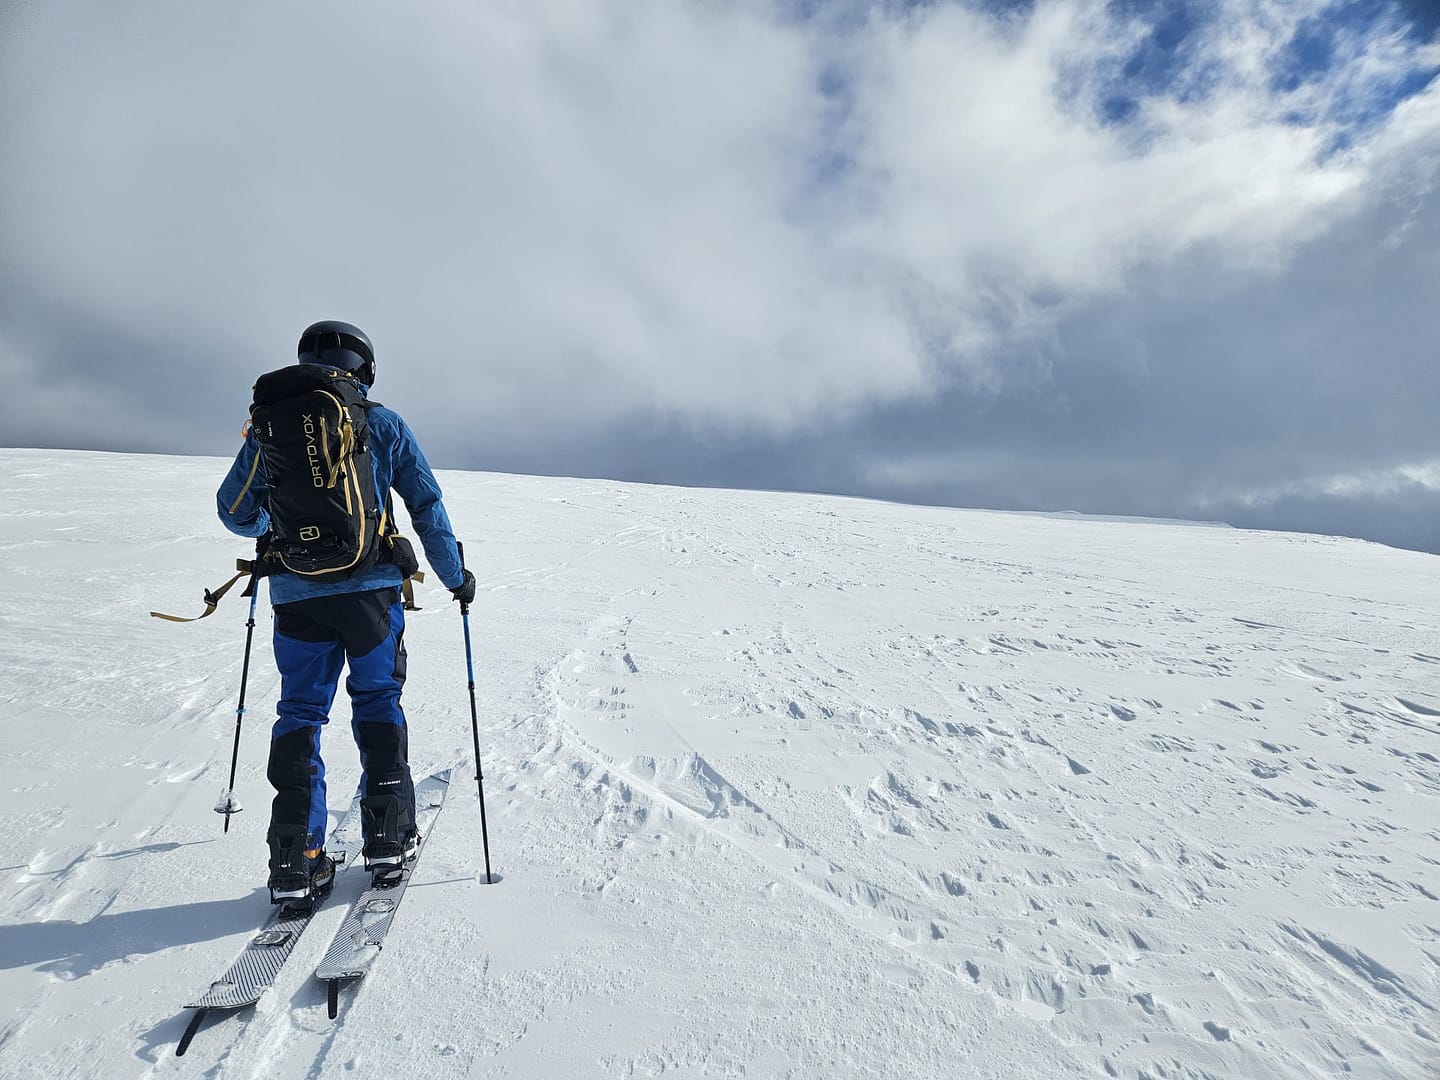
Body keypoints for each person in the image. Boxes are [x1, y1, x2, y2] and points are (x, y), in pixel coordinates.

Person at [216, 320, 477, 902]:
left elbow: (234, 511)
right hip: (372, 596)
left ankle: (294, 855)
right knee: (379, 700)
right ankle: (387, 835)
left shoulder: (270, 427)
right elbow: (426, 506)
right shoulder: (382, 423)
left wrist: (279, 532)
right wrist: (456, 579)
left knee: (301, 714)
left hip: (296, 595)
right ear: (367, 368)